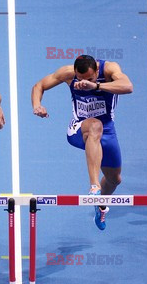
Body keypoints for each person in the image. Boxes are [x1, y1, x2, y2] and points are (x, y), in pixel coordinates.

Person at [31, 54, 133, 230]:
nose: (84, 82)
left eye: (89, 78)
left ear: (96, 70)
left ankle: (100, 204)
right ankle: (94, 187)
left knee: (114, 179)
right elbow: (39, 85)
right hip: (80, 127)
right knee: (94, 126)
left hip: (107, 130)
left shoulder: (109, 69)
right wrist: (37, 105)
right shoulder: (68, 73)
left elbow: (128, 86)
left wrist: (97, 85)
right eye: (80, 78)